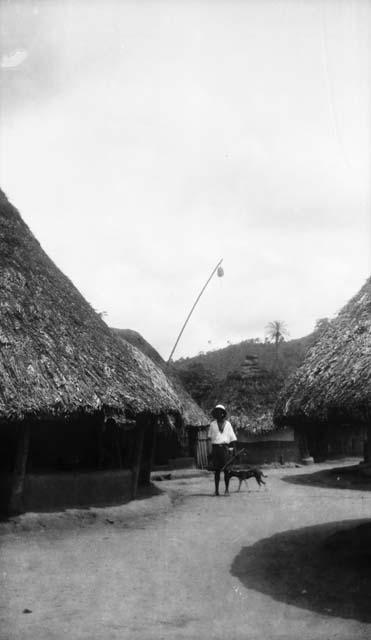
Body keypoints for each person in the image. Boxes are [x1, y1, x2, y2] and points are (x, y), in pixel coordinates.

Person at [208, 404, 237, 495]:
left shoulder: (228, 424)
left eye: (220, 412)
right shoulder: (212, 424)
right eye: (216, 412)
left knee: (226, 470)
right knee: (216, 471)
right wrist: (209, 451)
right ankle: (216, 491)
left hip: (225, 449)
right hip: (215, 449)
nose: (218, 414)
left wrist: (234, 450)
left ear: (223, 414)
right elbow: (209, 438)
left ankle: (227, 490)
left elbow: (232, 438)